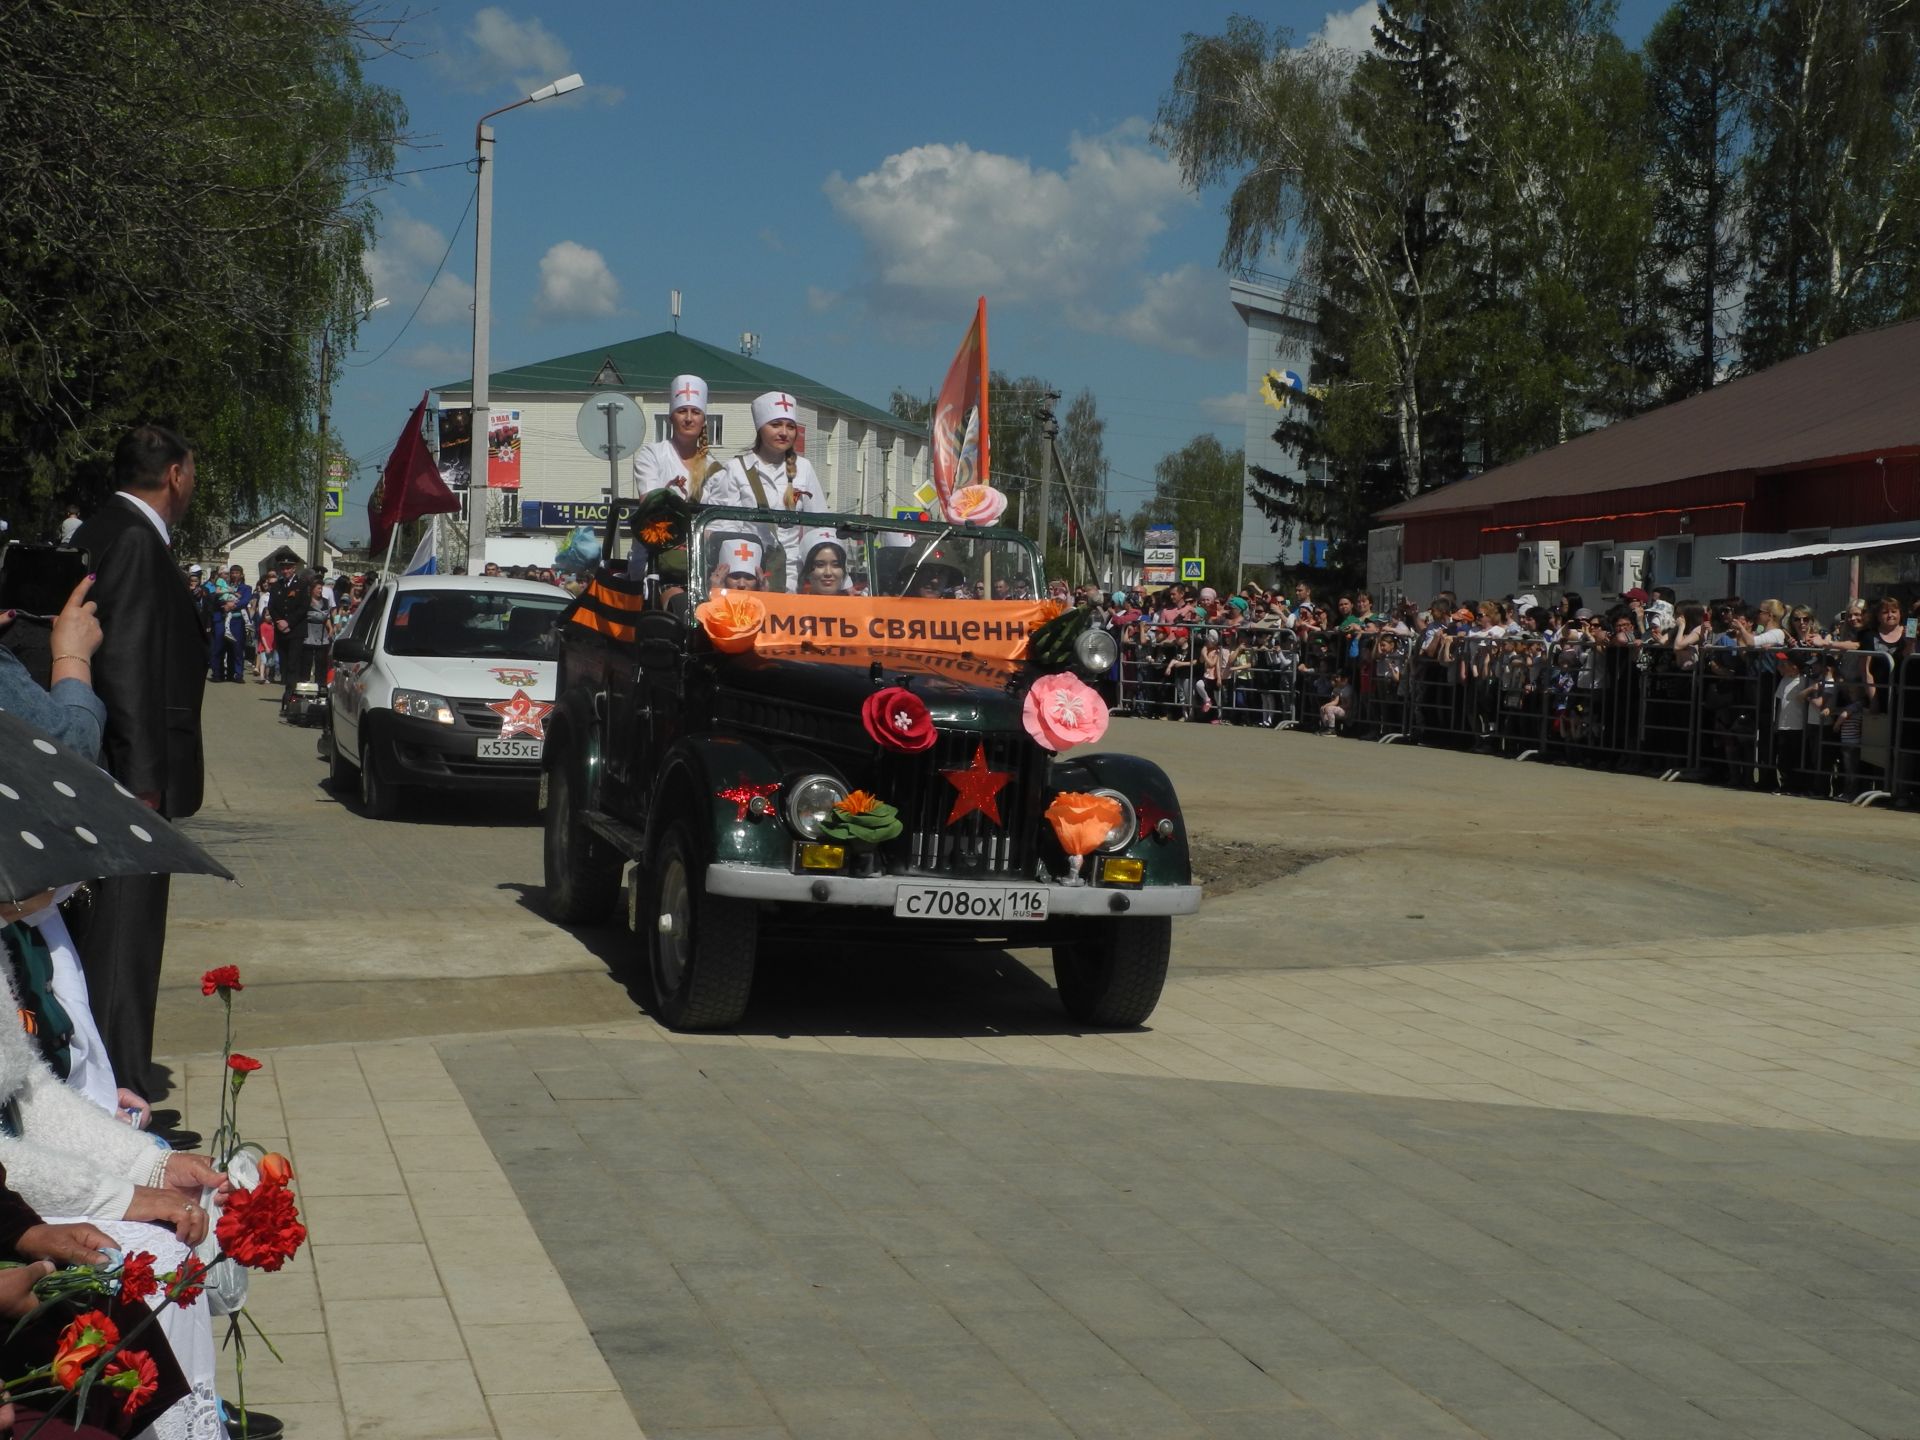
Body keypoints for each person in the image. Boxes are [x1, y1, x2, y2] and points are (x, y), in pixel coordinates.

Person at [66, 425, 206, 1105]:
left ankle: (118, 1074)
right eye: (193, 472)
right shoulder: (131, 538)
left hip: (115, 769)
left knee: (116, 934)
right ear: (176, 475)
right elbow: (125, 662)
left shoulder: (106, 527)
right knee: (124, 935)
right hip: (128, 779)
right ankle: (121, 1089)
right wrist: (143, 782)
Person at [705, 392, 824, 589]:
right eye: (776, 425)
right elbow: (722, 528)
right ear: (760, 429)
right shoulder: (735, 469)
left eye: (790, 426)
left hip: (794, 576)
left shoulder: (804, 468)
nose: (784, 432)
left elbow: (820, 525)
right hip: (747, 575)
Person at [634, 374, 724, 499]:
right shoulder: (652, 455)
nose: (688, 418)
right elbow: (650, 505)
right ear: (671, 418)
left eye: (695, 412)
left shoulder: (714, 469)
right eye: (682, 411)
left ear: (703, 421)